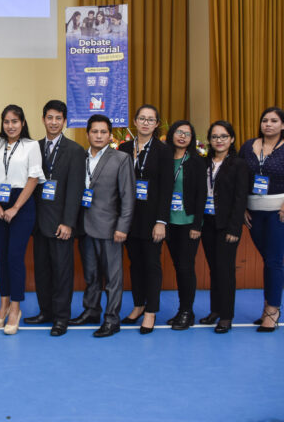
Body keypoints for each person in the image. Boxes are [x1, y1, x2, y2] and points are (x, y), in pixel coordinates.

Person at [240, 107, 284, 332]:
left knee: (274, 260)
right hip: (254, 213)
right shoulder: (248, 147)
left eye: (274, 120)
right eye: (265, 120)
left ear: (283, 125)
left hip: (282, 213)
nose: (268, 124)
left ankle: (273, 310)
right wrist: (241, 207)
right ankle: (267, 306)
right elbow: (239, 179)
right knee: (268, 259)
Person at [0, 104, 44, 335]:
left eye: (15, 121)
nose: (10, 126)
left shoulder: (31, 145)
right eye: (6, 121)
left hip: (21, 205)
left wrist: (16, 207)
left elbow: (33, 178)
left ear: (23, 123)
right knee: (2, 258)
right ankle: (4, 304)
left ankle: (16, 309)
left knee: (15, 257)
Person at [69, 115, 135, 337]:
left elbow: (128, 197)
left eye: (103, 132)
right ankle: (91, 311)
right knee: (91, 274)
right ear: (87, 134)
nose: (98, 136)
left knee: (113, 277)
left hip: (110, 228)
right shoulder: (80, 157)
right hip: (84, 227)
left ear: (110, 135)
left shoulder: (121, 159)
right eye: (94, 132)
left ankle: (112, 319)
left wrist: (123, 226)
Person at [24, 100, 85, 337]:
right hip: (38, 222)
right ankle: (45, 312)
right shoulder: (33, 148)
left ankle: (61, 318)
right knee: (42, 271)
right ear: (43, 119)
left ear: (64, 121)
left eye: (58, 118)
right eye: (49, 117)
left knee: (62, 272)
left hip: (61, 223)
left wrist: (68, 222)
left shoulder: (75, 151)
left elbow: (75, 190)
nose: (53, 122)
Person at [118, 104, 173, 334]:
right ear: (135, 120)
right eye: (142, 118)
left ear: (157, 123)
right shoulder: (123, 147)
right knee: (135, 263)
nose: (146, 123)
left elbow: (166, 188)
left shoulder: (163, 151)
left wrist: (161, 221)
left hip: (152, 217)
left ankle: (151, 311)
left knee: (151, 264)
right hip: (129, 216)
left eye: (151, 119)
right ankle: (138, 305)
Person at [200, 120, 249, 333]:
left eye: (223, 136)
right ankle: (215, 310)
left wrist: (234, 229)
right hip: (207, 222)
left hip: (226, 225)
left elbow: (240, 200)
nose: (218, 140)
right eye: (214, 137)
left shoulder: (239, 164)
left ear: (232, 139)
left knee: (226, 270)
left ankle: (227, 316)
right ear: (209, 140)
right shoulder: (204, 162)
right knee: (214, 269)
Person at [164, 120, 206, 330]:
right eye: (179, 132)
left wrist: (197, 225)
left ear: (192, 139)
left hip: (188, 223)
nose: (182, 136)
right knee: (177, 266)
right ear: (172, 134)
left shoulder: (196, 162)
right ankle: (183, 311)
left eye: (187, 134)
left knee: (185, 268)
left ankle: (186, 311)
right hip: (168, 222)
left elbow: (201, 196)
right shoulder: (164, 159)